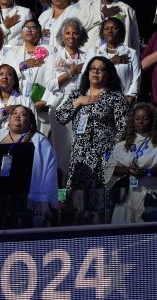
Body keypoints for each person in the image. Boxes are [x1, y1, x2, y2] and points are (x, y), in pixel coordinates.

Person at [56, 56, 128, 225]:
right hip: (79, 158)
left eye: (101, 69)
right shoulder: (77, 94)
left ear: (109, 74)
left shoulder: (115, 97)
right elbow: (60, 117)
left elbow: (124, 129)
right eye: (92, 68)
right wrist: (78, 102)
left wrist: (112, 153)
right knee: (76, 205)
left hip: (103, 157)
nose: (95, 72)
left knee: (100, 206)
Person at [0, 105, 58, 229]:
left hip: (24, 203)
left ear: (30, 121)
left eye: (23, 114)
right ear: (9, 120)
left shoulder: (39, 141)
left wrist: (44, 198)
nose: (17, 115)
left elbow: (49, 170)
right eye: (15, 113)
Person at [106, 103, 157, 224]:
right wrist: (128, 171)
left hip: (151, 195)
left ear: (153, 121)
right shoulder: (122, 144)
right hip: (126, 197)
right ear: (132, 120)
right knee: (122, 236)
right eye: (137, 118)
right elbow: (110, 169)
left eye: (145, 118)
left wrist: (149, 171)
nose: (141, 122)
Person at [45, 17, 88, 184]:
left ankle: (78, 201)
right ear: (62, 37)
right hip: (60, 109)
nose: (71, 36)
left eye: (75, 33)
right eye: (68, 33)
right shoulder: (54, 58)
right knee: (62, 155)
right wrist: (70, 73)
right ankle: (61, 199)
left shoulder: (88, 56)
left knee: (80, 153)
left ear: (81, 36)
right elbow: (50, 85)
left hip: (83, 110)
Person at [5, 19, 55, 135]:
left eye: (33, 28)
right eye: (26, 28)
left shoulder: (50, 50)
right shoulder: (13, 52)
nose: (29, 30)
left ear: (40, 32)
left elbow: (54, 76)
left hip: (40, 104)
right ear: (22, 32)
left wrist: (45, 100)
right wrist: (23, 66)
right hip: (19, 103)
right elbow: (5, 74)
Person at [84, 17, 141, 104]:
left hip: (123, 100)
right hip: (97, 101)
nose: (110, 31)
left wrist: (130, 96)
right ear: (102, 33)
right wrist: (111, 61)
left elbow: (136, 78)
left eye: (114, 28)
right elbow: (85, 74)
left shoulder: (131, 53)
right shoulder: (94, 52)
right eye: (106, 28)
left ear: (121, 32)